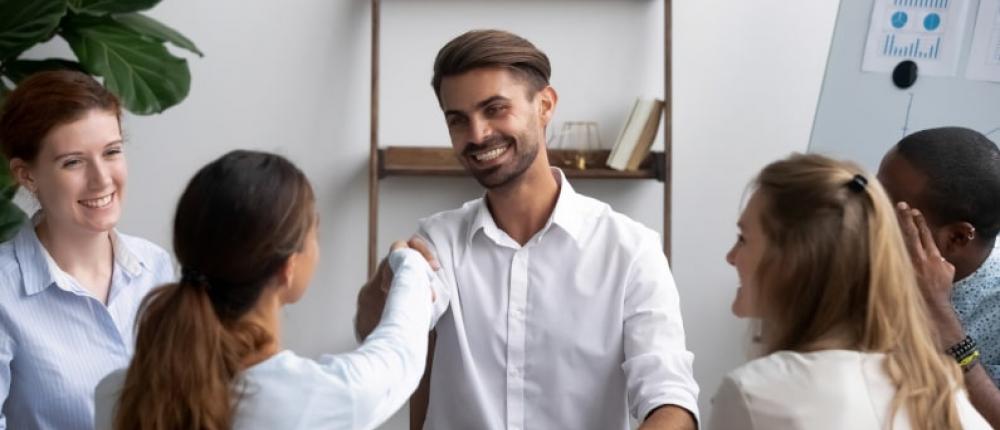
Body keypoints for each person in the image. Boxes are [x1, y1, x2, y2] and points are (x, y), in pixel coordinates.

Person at [355, 29, 699, 430]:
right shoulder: (437, 243)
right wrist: (390, 282)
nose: (478, 134)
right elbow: (378, 338)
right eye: (458, 120)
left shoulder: (631, 250)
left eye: (495, 109)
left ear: (545, 105)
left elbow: (670, 400)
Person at [94, 150, 437, 429]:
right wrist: (408, 263)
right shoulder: (311, 399)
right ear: (288, 268)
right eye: (314, 234)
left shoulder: (118, 394)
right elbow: (399, 354)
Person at [710, 153, 989, 429]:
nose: (731, 257)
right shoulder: (950, 402)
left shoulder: (755, 395)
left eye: (743, 239)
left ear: (794, 261)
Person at [0, 70, 174, 429]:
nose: (102, 179)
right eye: (73, 162)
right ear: (27, 175)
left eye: (111, 152)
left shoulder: (156, 267)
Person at [877, 126, 1000, 427]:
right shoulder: (872, 253)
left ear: (957, 237)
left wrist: (941, 317)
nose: (870, 217)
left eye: (888, 210)